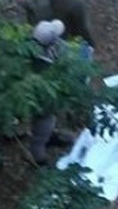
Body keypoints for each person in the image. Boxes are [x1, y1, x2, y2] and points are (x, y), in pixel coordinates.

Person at [29, 19, 74, 165]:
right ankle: (37, 152)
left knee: (47, 120)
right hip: (42, 95)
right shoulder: (45, 62)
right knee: (44, 120)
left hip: (37, 90)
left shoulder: (29, 46)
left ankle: (47, 136)